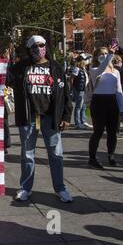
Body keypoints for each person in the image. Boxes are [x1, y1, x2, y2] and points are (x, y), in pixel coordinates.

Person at [7, 35, 73, 203]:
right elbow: (6, 79)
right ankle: (25, 188)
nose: (38, 49)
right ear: (29, 50)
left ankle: (60, 188)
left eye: (41, 45)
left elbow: (65, 94)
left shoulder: (55, 67)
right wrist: (5, 60)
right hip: (29, 118)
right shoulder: (21, 67)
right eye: (34, 47)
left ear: (46, 47)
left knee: (56, 155)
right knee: (27, 155)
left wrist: (66, 116)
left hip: (51, 118)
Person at [88, 47, 123, 169]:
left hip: (112, 101)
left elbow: (118, 89)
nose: (104, 56)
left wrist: (121, 108)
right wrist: (109, 55)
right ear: (96, 56)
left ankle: (111, 156)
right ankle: (92, 158)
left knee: (112, 132)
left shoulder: (116, 72)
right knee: (98, 131)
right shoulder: (94, 69)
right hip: (99, 102)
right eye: (101, 54)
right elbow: (100, 69)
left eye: (106, 53)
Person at [70, 54, 93, 129]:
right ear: (82, 61)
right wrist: (72, 88)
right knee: (78, 106)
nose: (87, 61)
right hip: (79, 89)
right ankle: (77, 123)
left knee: (84, 106)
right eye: (86, 60)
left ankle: (83, 121)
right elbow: (71, 78)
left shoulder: (84, 69)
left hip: (84, 89)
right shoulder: (77, 69)